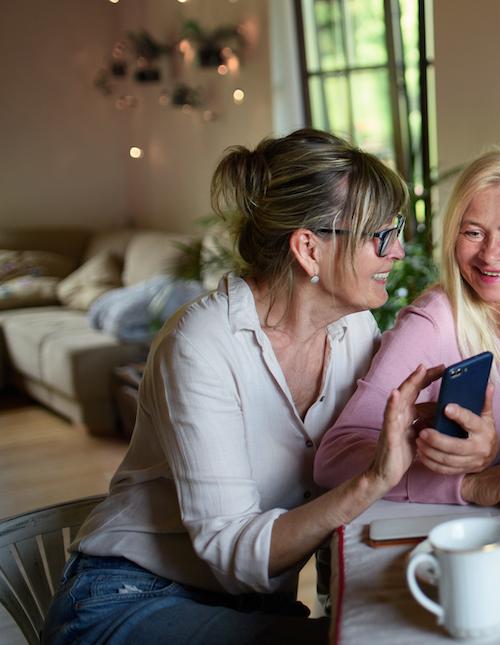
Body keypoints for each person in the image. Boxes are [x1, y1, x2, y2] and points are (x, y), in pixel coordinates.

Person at [42, 129, 472, 644]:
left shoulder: (353, 328)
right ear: (308, 249)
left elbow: (379, 443)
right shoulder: (201, 344)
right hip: (130, 598)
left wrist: (447, 431)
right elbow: (231, 555)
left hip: (251, 605)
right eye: (380, 235)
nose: (398, 251)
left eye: (395, 230)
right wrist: (371, 480)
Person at [315, 149, 500, 511]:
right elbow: (332, 458)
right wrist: (467, 483)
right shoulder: (431, 324)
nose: (490, 255)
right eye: (473, 233)